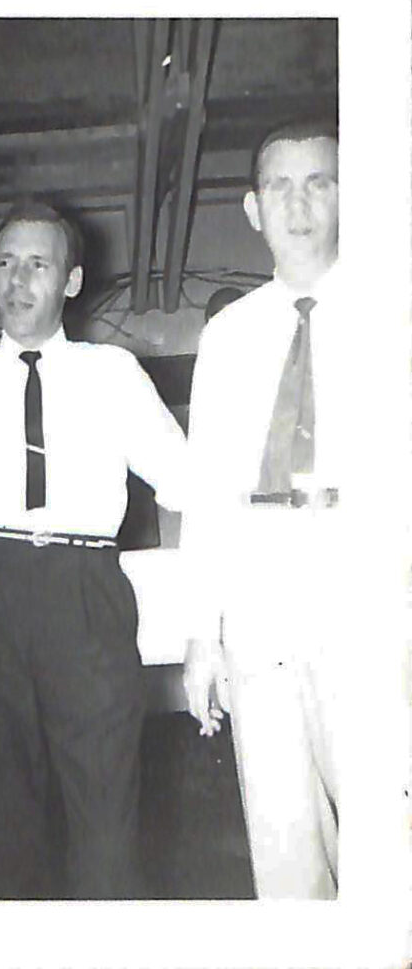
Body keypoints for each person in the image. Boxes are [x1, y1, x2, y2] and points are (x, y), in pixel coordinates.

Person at [0, 200, 187, 898]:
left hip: (84, 589)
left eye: (37, 264)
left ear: (70, 281)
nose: (18, 279)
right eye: (6, 263)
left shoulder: (114, 372)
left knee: (104, 813)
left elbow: (184, 479)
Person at [180, 118, 348, 898]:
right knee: (281, 849)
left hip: (364, 584)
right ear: (252, 209)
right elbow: (207, 492)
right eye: (279, 184)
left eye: (318, 180)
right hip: (258, 598)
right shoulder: (227, 334)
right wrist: (200, 637)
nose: (298, 202)